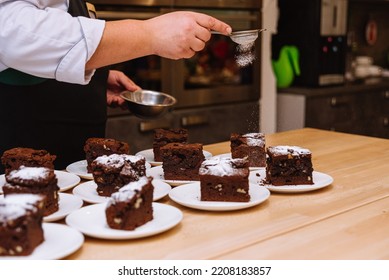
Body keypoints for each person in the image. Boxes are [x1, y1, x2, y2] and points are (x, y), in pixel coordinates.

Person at [0, 0, 232, 173]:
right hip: (18, 159)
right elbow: (10, 31)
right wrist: (150, 34)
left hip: (71, 165)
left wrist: (97, 76)